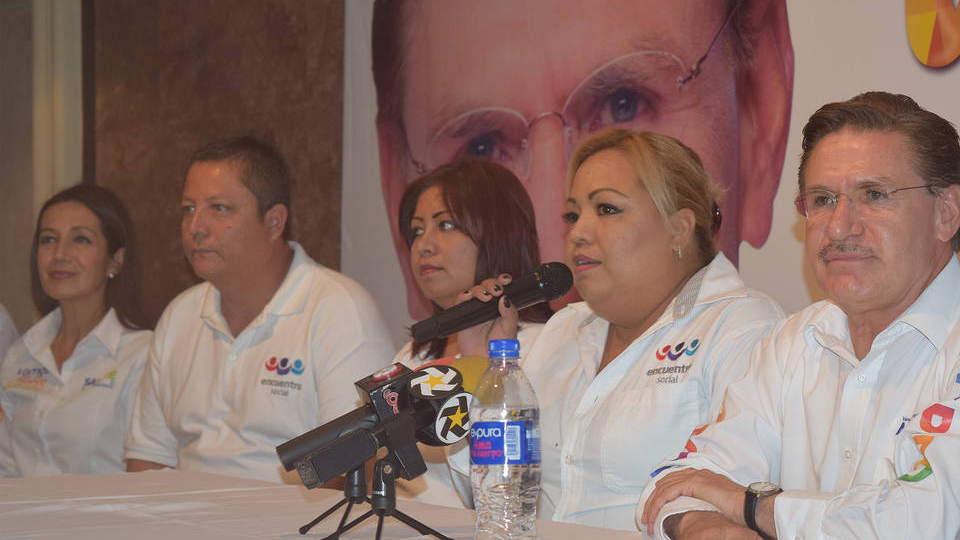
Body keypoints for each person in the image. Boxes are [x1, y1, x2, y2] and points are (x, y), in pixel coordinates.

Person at [638, 92, 960, 540]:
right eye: (822, 200)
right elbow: (681, 479)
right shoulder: (792, 341)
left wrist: (751, 506)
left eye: (874, 195)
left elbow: (926, 536)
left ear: (946, 213)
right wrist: (702, 521)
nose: (840, 227)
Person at [372, 0, 795, 319]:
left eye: (624, 105)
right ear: (394, 194)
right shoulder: (548, 347)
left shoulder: (758, 349)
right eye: (482, 148)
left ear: (760, 102)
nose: (560, 246)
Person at [455, 129, 785, 530]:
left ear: (679, 228)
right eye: (572, 215)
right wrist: (488, 367)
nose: (578, 232)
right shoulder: (564, 328)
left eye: (607, 209)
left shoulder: (741, 325)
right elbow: (495, 490)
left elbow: (734, 493)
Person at [124, 137, 395, 483]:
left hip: (296, 516)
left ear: (274, 221)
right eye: (188, 208)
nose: (195, 228)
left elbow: (358, 467)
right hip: (186, 512)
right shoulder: (180, 315)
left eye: (219, 208)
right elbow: (147, 459)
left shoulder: (338, 309)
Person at [394, 159, 553, 506]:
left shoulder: (542, 347)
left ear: (498, 233)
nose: (423, 245)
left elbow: (514, 489)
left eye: (446, 224)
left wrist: (483, 362)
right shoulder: (415, 353)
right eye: (417, 230)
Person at [0, 184, 151, 476]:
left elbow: (148, 471)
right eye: (48, 239)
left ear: (116, 260)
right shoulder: (21, 354)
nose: (60, 254)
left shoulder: (142, 355)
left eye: (81, 239)